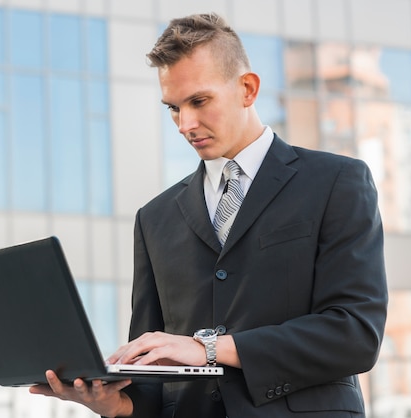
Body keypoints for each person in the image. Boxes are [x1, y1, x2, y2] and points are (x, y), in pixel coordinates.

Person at [30, 12, 388, 418]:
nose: (186, 124)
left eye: (199, 101)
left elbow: (354, 333)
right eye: (173, 108)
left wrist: (209, 349)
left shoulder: (336, 181)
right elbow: (152, 384)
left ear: (248, 89)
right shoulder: (155, 218)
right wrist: (116, 404)